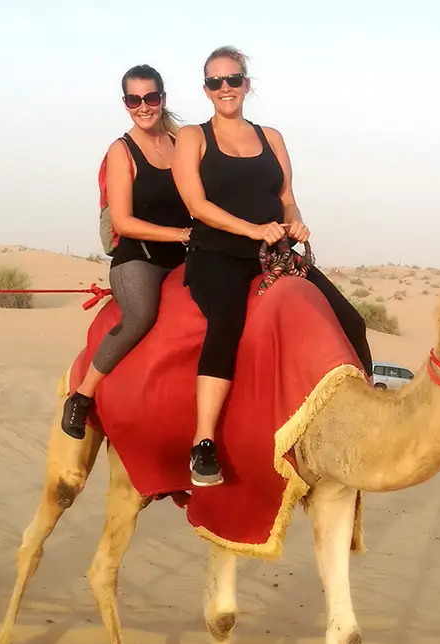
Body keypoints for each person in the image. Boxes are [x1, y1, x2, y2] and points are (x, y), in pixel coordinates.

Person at [171, 45, 373, 487]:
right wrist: (250, 229)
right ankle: (203, 442)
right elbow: (196, 204)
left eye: (233, 79)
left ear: (247, 84)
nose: (225, 89)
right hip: (219, 252)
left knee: (350, 321)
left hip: (276, 253)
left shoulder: (272, 137)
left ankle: (367, 418)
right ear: (206, 90)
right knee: (226, 323)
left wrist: (294, 222)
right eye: (215, 82)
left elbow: (285, 197)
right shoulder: (193, 137)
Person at [61, 64, 193, 440]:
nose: (144, 106)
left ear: (162, 98)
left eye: (150, 98)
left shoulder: (183, 142)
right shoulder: (122, 151)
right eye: (134, 99)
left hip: (185, 254)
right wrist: (181, 233)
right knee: (141, 315)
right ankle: (82, 395)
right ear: (125, 103)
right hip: (139, 258)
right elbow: (123, 222)